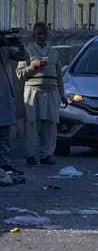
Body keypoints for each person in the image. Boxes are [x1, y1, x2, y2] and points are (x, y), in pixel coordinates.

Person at [16, 23, 65, 166]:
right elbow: (19, 74)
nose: (42, 36)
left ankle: (47, 154)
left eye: (44, 33)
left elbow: (59, 76)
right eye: (39, 34)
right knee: (31, 124)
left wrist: (62, 94)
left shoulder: (54, 53)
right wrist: (33, 66)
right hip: (32, 91)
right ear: (34, 36)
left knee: (50, 124)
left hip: (51, 91)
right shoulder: (27, 52)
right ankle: (31, 155)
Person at [0, 38, 24, 185]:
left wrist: (18, 44)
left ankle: (4, 165)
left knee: (4, 134)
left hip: (5, 95)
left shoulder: (4, 48)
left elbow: (22, 56)